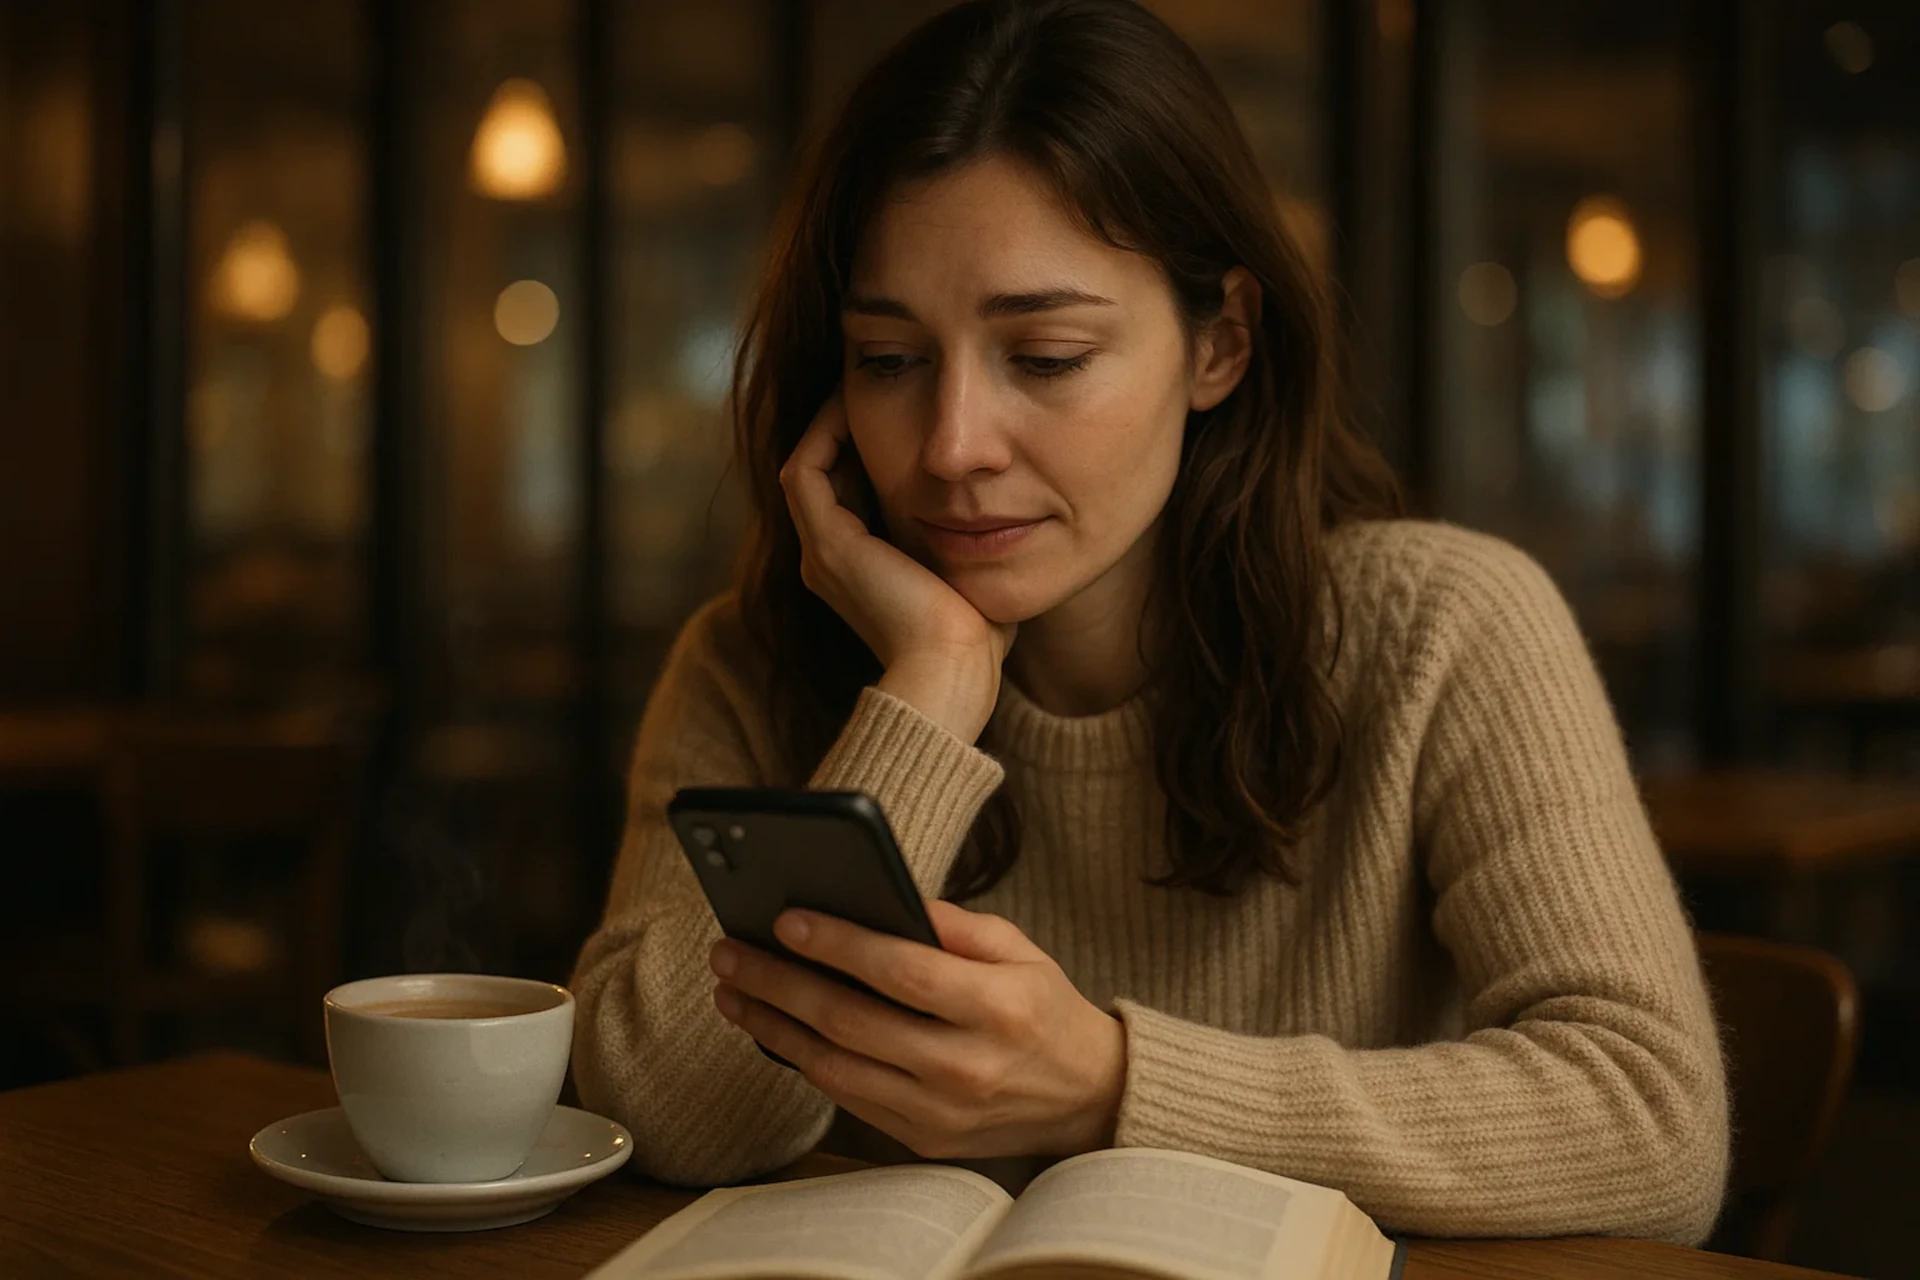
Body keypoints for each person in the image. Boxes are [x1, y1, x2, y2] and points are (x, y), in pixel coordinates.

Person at [569, 0, 1727, 1244]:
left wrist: (1109, 1083)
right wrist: (929, 692)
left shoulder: (1443, 630)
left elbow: (1653, 1123)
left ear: (1220, 344)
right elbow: (663, 1116)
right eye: (890, 361)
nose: (952, 447)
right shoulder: (752, 661)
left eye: (1047, 356)